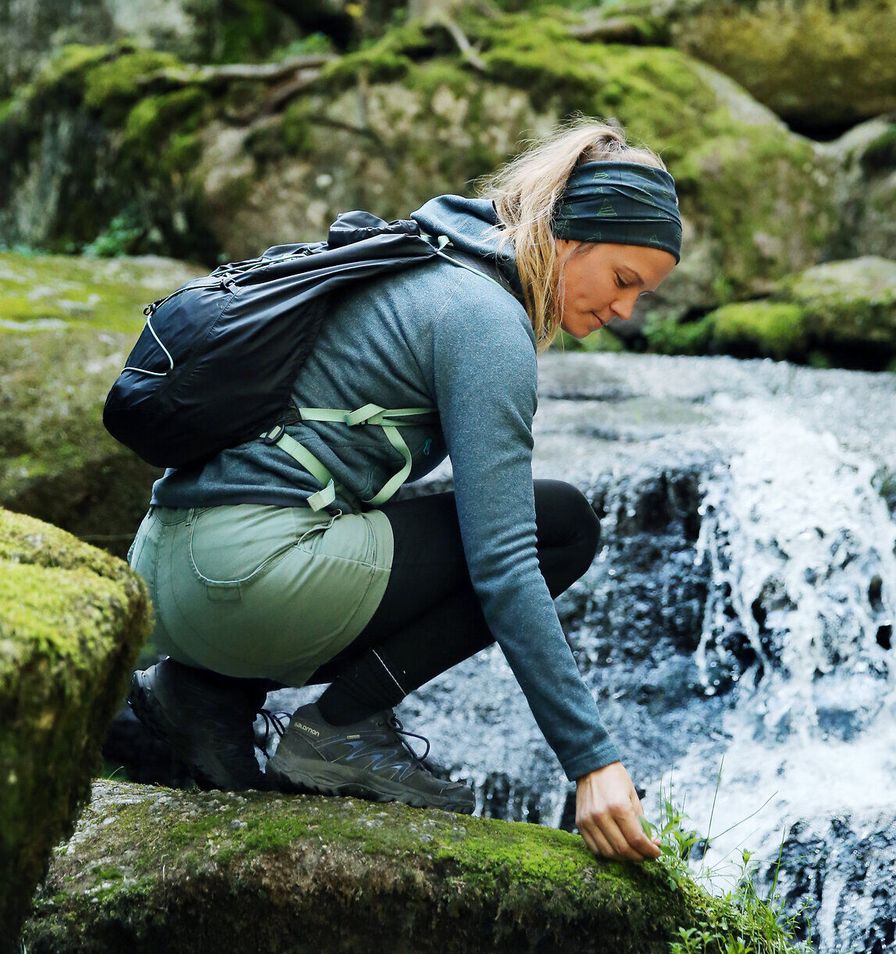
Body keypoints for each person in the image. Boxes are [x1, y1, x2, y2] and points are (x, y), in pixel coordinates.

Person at [126, 119, 681, 864]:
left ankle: (197, 702)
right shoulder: (485, 321)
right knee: (562, 527)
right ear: (570, 235)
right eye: (623, 281)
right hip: (246, 579)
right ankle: (344, 728)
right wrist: (592, 760)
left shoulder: (422, 255)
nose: (624, 312)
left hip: (165, 571)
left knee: (367, 507)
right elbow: (506, 565)